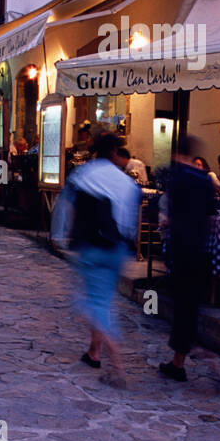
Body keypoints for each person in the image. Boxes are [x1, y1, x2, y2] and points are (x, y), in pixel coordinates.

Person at [51, 132, 140, 388]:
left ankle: (118, 364)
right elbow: (128, 222)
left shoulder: (83, 174)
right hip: (116, 249)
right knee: (103, 299)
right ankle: (94, 352)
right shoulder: (126, 183)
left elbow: (65, 206)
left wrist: (59, 235)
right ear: (115, 152)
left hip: (91, 248)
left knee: (91, 304)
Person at [158, 135, 217, 383]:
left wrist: (168, 222)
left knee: (183, 305)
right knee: (188, 304)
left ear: (176, 153)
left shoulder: (177, 177)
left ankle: (191, 356)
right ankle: (181, 357)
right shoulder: (205, 180)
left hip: (181, 249)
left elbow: (172, 213)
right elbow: (211, 214)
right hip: (200, 249)